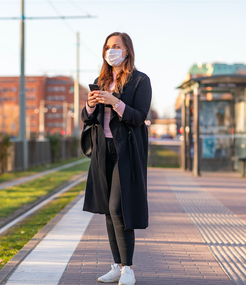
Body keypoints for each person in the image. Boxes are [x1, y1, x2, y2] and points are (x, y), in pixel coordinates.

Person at [81, 32, 152, 285]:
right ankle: (116, 265)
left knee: (118, 208)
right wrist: (90, 105)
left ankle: (128, 269)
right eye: (108, 46)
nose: (112, 50)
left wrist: (115, 102)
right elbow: (87, 118)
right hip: (103, 150)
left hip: (127, 151)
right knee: (108, 213)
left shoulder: (140, 80)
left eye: (117, 46)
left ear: (127, 51)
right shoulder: (100, 80)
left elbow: (139, 117)